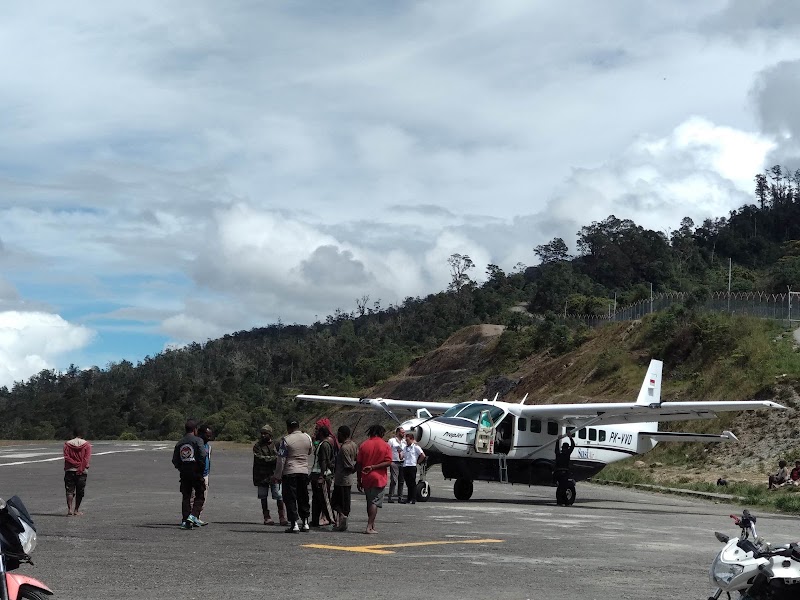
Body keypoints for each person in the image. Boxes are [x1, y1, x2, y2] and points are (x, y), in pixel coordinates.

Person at [273, 417, 313, 533]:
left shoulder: (286, 440)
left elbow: (281, 459)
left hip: (290, 472)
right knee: (303, 497)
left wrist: (277, 476)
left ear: (288, 427)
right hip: (304, 471)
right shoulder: (307, 437)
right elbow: (309, 451)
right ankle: (305, 523)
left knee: (290, 498)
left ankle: (294, 524)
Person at [356, 424, 392, 534]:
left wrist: (359, 480)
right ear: (381, 433)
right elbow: (388, 462)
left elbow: (359, 464)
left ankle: (371, 524)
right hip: (379, 477)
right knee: (374, 502)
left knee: (369, 501)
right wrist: (374, 467)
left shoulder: (364, 445)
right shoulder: (385, 445)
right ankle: (369, 526)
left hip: (366, 477)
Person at [172, 419, 208, 529]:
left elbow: (175, 460)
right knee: (200, 495)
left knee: (186, 496)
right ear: (195, 429)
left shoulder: (180, 442)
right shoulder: (198, 441)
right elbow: (202, 455)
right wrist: (200, 468)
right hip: (196, 471)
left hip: (184, 473)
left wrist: (181, 468)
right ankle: (193, 516)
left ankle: (185, 520)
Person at [253, 424, 287, 525]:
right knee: (263, 496)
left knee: (279, 495)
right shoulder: (257, 446)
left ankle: (282, 517)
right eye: (262, 433)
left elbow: (281, 457)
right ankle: (266, 517)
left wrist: (271, 459)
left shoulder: (277, 444)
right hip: (261, 475)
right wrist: (273, 458)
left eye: (265, 433)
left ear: (270, 434)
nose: (263, 435)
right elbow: (259, 458)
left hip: (274, 474)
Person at [331, 425, 358, 531]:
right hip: (348, 479)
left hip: (341, 479)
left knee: (337, 503)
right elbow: (357, 458)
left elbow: (348, 465)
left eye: (339, 434)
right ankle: (339, 522)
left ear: (343, 435)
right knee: (343, 502)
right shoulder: (354, 445)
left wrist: (353, 468)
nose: (337, 436)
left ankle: (342, 519)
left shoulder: (344, 448)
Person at [310, 424, 335, 529]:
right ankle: (315, 520)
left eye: (318, 432)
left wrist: (321, 476)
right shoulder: (320, 444)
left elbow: (324, 461)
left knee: (325, 500)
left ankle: (332, 520)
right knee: (316, 500)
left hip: (322, 475)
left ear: (321, 433)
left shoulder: (325, 445)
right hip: (316, 474)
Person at [63, 427, 92, 517]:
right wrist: (80, 467)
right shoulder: (87, 445)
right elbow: (86, 459)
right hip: (82, 471)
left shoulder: (67, 444)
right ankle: (76, 510)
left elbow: (66, 457)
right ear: (82, 434)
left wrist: (74, 464)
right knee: (80, 491)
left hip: (70, 470)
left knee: (69, 491)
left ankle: (69, 509)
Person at [194, 424, 213, 525]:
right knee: (194, 497)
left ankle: (197, 516)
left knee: (203, 498)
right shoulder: (196, 444)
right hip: (196, 474)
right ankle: (191, 517)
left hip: (205, 475)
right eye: (207, 435)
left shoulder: (208, 447)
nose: (209, 438)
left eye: (210, 436)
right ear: (200, 434)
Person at [401, 431, 425, 504]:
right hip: (406, 466)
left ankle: (413, 498)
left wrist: (418, 462)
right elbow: (402, 456)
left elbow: (422, 455)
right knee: (408, 483)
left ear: (411, 439)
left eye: (407, 440)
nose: (406, 441)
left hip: (412, 466)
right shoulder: (405, 448)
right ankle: (409, 498)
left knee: (412, 483)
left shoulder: (416, 447)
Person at [554, 433, 575, 506]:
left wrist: (558, 440)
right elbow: (573, 446)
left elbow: (556, 449)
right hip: (564, 473)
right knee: (564, 487)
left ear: (562, 448)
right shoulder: (567, 454)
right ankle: (564, 501)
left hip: (557, 473)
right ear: (567, 448)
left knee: (560, 487)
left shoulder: (558, 454)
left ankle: (559, 501)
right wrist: (570, 438)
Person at [387, 426, 406, 503]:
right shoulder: (392, 441)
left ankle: (400, 497)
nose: (404, 434)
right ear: (398, 432)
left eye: (404, 432)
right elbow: (387, 450)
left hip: (402, 462)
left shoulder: (404, 442)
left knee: (401, 481)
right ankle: (390, 496)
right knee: (394, 480)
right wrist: (389, 461)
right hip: (394, 462)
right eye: (402, 432)